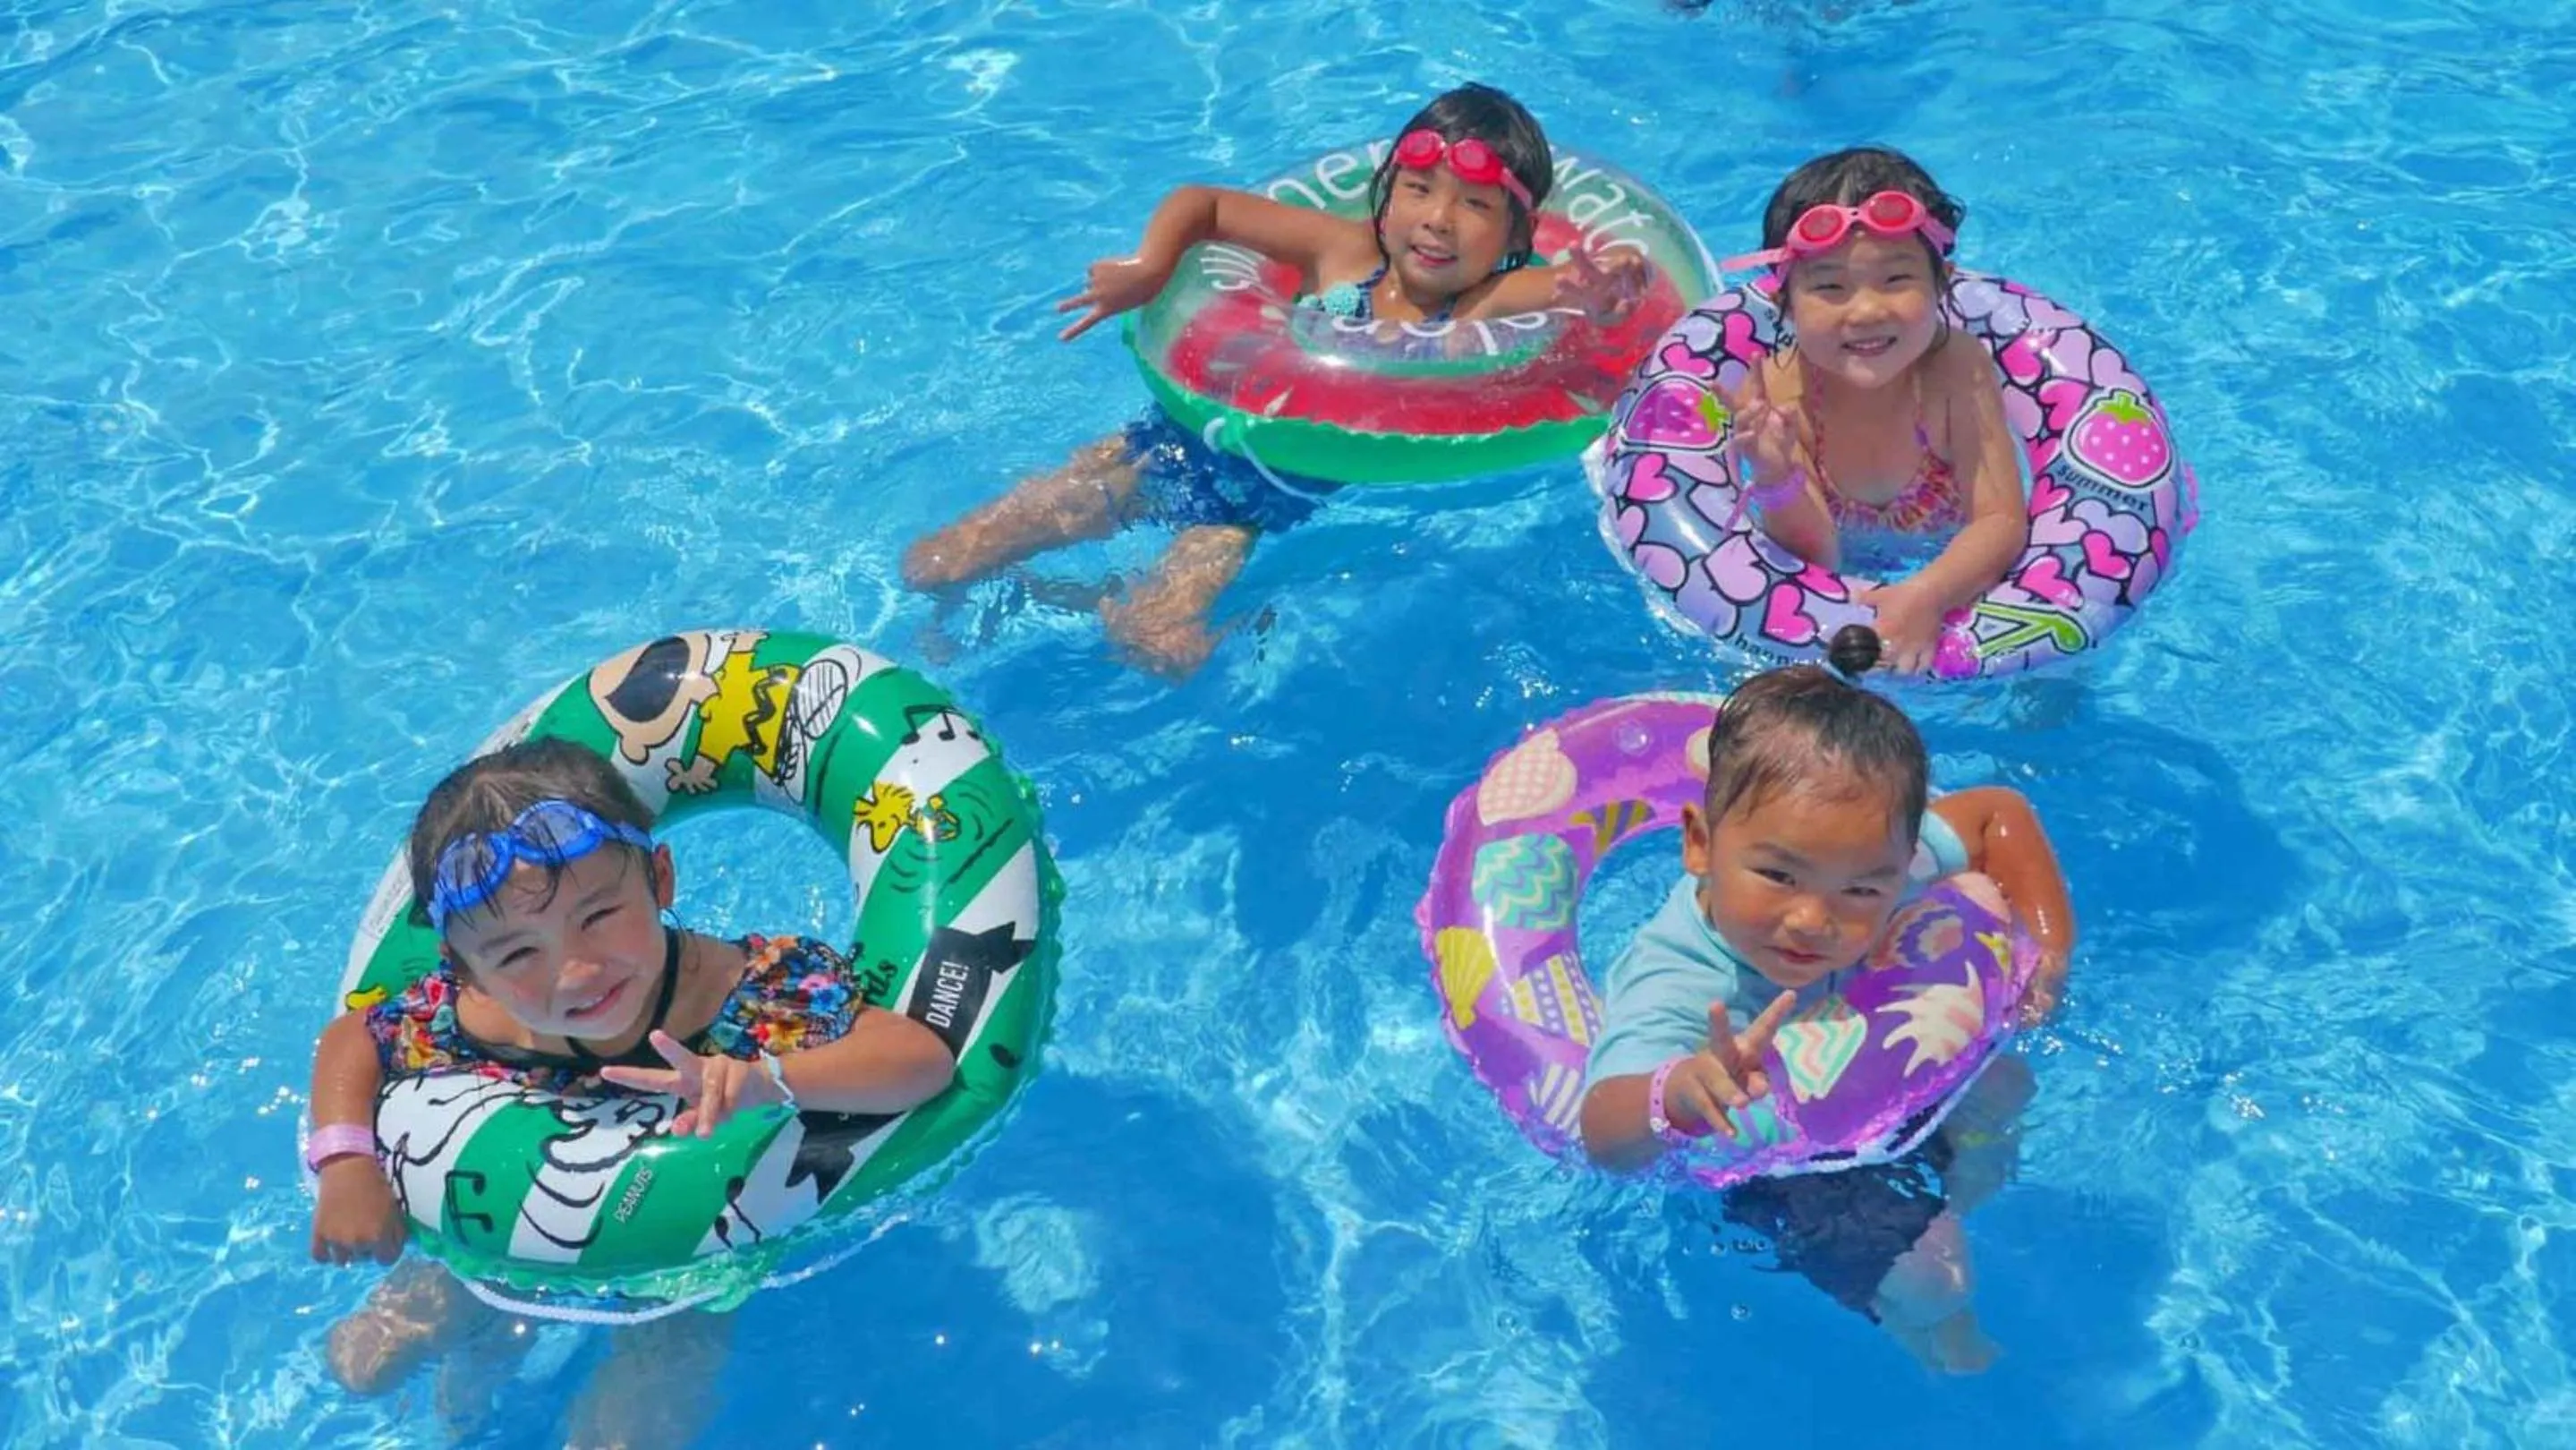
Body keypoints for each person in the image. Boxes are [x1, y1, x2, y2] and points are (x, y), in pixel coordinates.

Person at [304, 737, 954, 1446]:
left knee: (633, 1420)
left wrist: (767, 1078)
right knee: (363, 1365)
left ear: (660, 879)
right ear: (468, 972)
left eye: (599, 916)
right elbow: (356, 1037)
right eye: (520, 953)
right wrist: (345, 1163)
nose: (576, 971)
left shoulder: (754, 996)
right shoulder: (479, 1018)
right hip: (529, 1202)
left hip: (687, 1244)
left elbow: (920, 1059)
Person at [901, 81, 1644, 678]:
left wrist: (1602, 287)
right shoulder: (1344, 254)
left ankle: (1081, 602)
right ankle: (1022, 606)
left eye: (1474, 205)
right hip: (1170, 440)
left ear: (1516, 237)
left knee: (1160, 649)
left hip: (1253, 502)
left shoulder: (1478, 303)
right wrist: (1152, 266)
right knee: (934, 563)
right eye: (1417, 188)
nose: (1438, 220)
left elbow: (1562, 295)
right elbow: (1206, 204)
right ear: (1384, 194)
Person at [1577, 626, 2074, 1372]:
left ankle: (1949, 1194)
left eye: (1862, 890)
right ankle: (1915, 1325)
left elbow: (1996, 815)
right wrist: (1679, 1093)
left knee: (2007, 1080)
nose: (1814, 919)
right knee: (1937, 1282)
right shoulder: (1683, 981)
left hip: (1873, 1064)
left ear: (1897, 864)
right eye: (1778, 876)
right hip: (1782, 1150)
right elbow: (1601, 1137)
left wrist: (2051, 954)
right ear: (1699, 844)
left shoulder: (1867, 853)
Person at [1722, 147, 2028, 674]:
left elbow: (2000, 519)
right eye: (1830, 287)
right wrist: (1775, 472)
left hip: (1954, 569)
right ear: (1783, 303)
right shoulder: (1780, 390)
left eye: (1895, 279)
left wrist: (1929, 594)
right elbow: (1817, 555)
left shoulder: (1956, 369)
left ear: (1942, 282)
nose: (1865, 310)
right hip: (1838, 593)